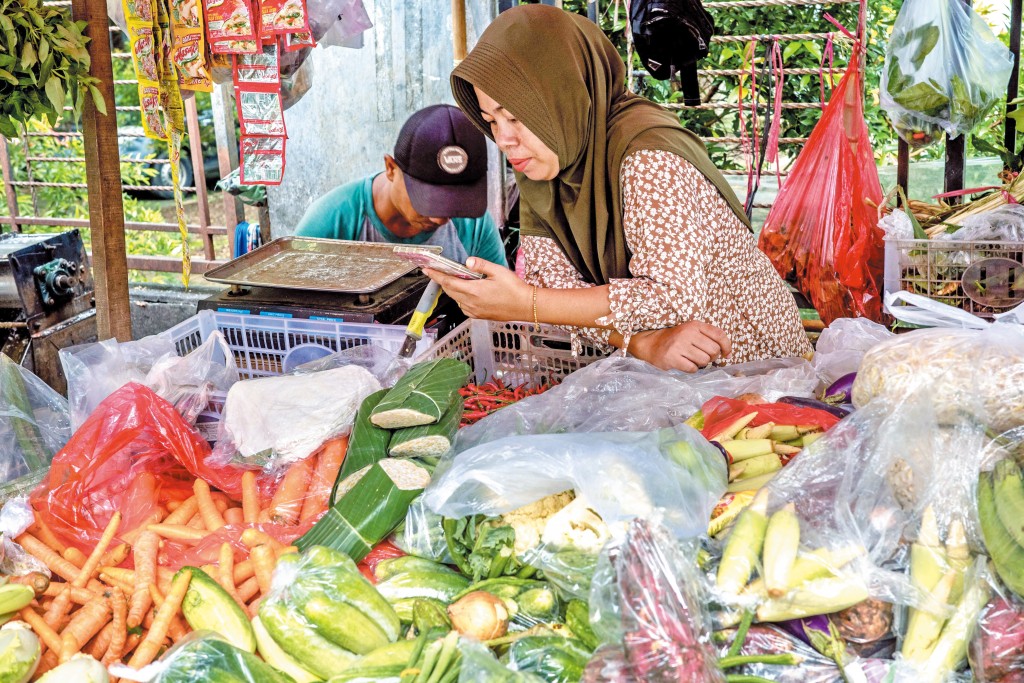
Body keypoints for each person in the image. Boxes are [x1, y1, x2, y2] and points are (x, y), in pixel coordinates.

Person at [423, 4, 812, 372]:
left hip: (756, 366)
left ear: (565, 98)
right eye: (492, 121)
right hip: (666, 376)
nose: (504, 140)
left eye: (515, 117)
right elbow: (555, 289)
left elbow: (671, 297)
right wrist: (640, 343)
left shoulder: (648, 156)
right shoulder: (544, 167)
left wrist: (527, 303)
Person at [295, 104, 506, 266]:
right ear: (390, 168)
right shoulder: (331, 222)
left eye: (455, 201)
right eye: (428, 199)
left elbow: (501, 302)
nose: (440, 219)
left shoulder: (474, 226)